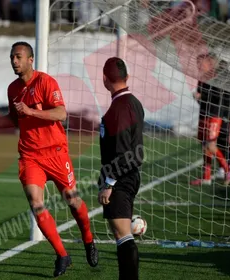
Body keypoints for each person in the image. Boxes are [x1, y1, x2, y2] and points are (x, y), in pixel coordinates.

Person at [0, 41, 98, 277]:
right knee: (36, 204)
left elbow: (61, 113)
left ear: (30, 59)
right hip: (30, 155)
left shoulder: (45, 82)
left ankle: (88, 239)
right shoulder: (13, 89)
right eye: (12, 57)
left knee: (72, 201)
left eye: (19, 57)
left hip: (55, 152)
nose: (14, 61)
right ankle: (63, 255)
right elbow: (14, 118)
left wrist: (32, 111)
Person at [97, 57, 143, 280]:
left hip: (120, 178)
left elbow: (123, 152)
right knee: (122, 234)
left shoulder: (119, 107)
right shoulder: (133, 102)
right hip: (129, 175)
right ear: (127, 77)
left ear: (105, 79)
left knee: (122, 235)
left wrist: (109, 183)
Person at [191, 53, 230, 186]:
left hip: (215, 114)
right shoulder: (201, 78)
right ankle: (206, 177)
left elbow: (218, 96)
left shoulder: (216, 77)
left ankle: (227, 170)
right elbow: (201, 98)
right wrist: (198, 98)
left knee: (211, 145)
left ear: (209, 63)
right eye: (198, 63)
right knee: (204, 145)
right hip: (203, 114)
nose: (199, 65)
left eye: (201, 63)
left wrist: (202, 96)